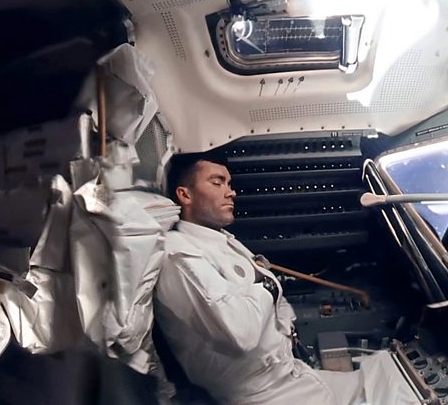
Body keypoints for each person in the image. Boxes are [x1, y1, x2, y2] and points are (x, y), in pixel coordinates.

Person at [154, 152, 364, 405]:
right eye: (217, 182)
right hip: (264, 394)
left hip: (289, 375)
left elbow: (274, 307)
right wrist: (267, 287)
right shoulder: (179, 255)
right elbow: (239, 333)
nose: (231, 192)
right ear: (185, 195)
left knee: (386, 373)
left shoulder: (222, 240)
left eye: (229, 184)